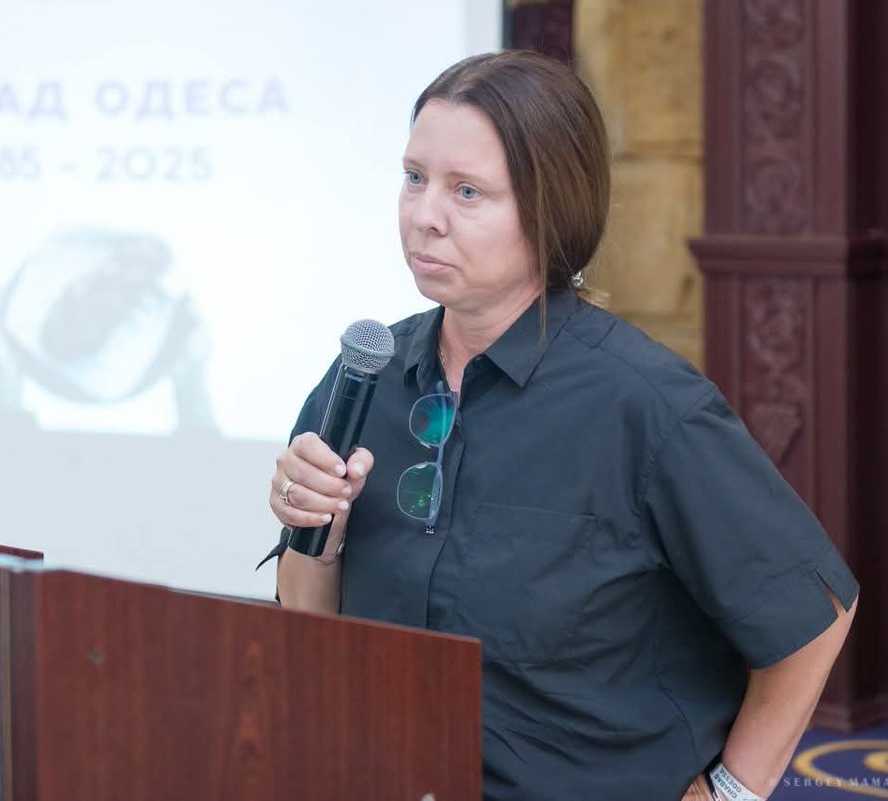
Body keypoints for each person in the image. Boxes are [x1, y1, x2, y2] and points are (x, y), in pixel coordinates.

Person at [261, 50, 857, 801]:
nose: (424, 216)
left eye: (467, 191)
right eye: (414, 177)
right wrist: (315, 528)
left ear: (549, 209)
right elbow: (310, 631)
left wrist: (730, 792)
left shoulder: (644, 403)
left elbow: (816, 614)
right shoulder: (365, 376)